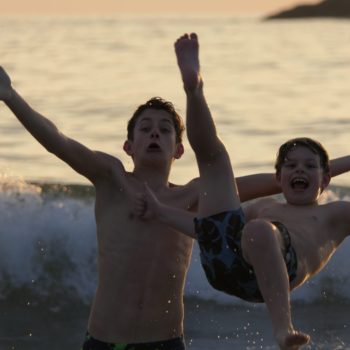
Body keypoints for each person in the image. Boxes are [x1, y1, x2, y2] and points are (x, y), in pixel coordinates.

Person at [0, 65, 314, 349]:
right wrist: (10, 96)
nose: (154, 132)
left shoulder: (193, 195)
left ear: (178, 149)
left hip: (165, 343)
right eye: (145, 128)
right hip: (104, 342)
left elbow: (282, 179)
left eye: (165, 129)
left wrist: (329, 168)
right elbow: (58, 141)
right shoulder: (111, 178)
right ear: (129, 146)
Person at [133, 33, 350, 350]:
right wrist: (161, 213)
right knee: (215, 161)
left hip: (279, 271)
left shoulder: (336, 213)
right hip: (223, 268)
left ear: (325, 179)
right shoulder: (263, 208)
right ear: (279, 177)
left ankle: (282, 329)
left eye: (309, 167)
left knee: (259, 231)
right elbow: (210, 230)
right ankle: (194, 89)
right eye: (290, 166)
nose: (299, 170)